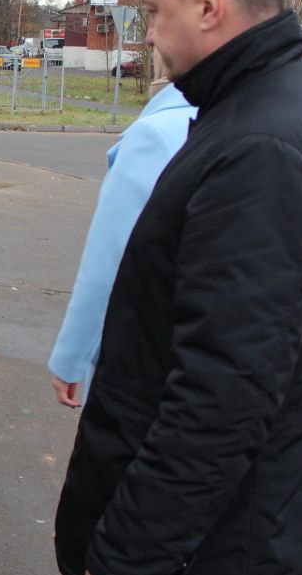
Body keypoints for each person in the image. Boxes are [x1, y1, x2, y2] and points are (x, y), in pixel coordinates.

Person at [54, 0, 302, 575]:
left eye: (153, 11)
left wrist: (128, 559)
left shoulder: (266, 147)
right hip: (251, 538)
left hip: (237, 556)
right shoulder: (267, 107)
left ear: (208, 4)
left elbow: (223, 394)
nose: (150, 33)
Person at [48, 77, 195, 408]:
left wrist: (70, 358)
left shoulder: (152, 136)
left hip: (143, 356)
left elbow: (108, 259)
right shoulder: (234, 118)